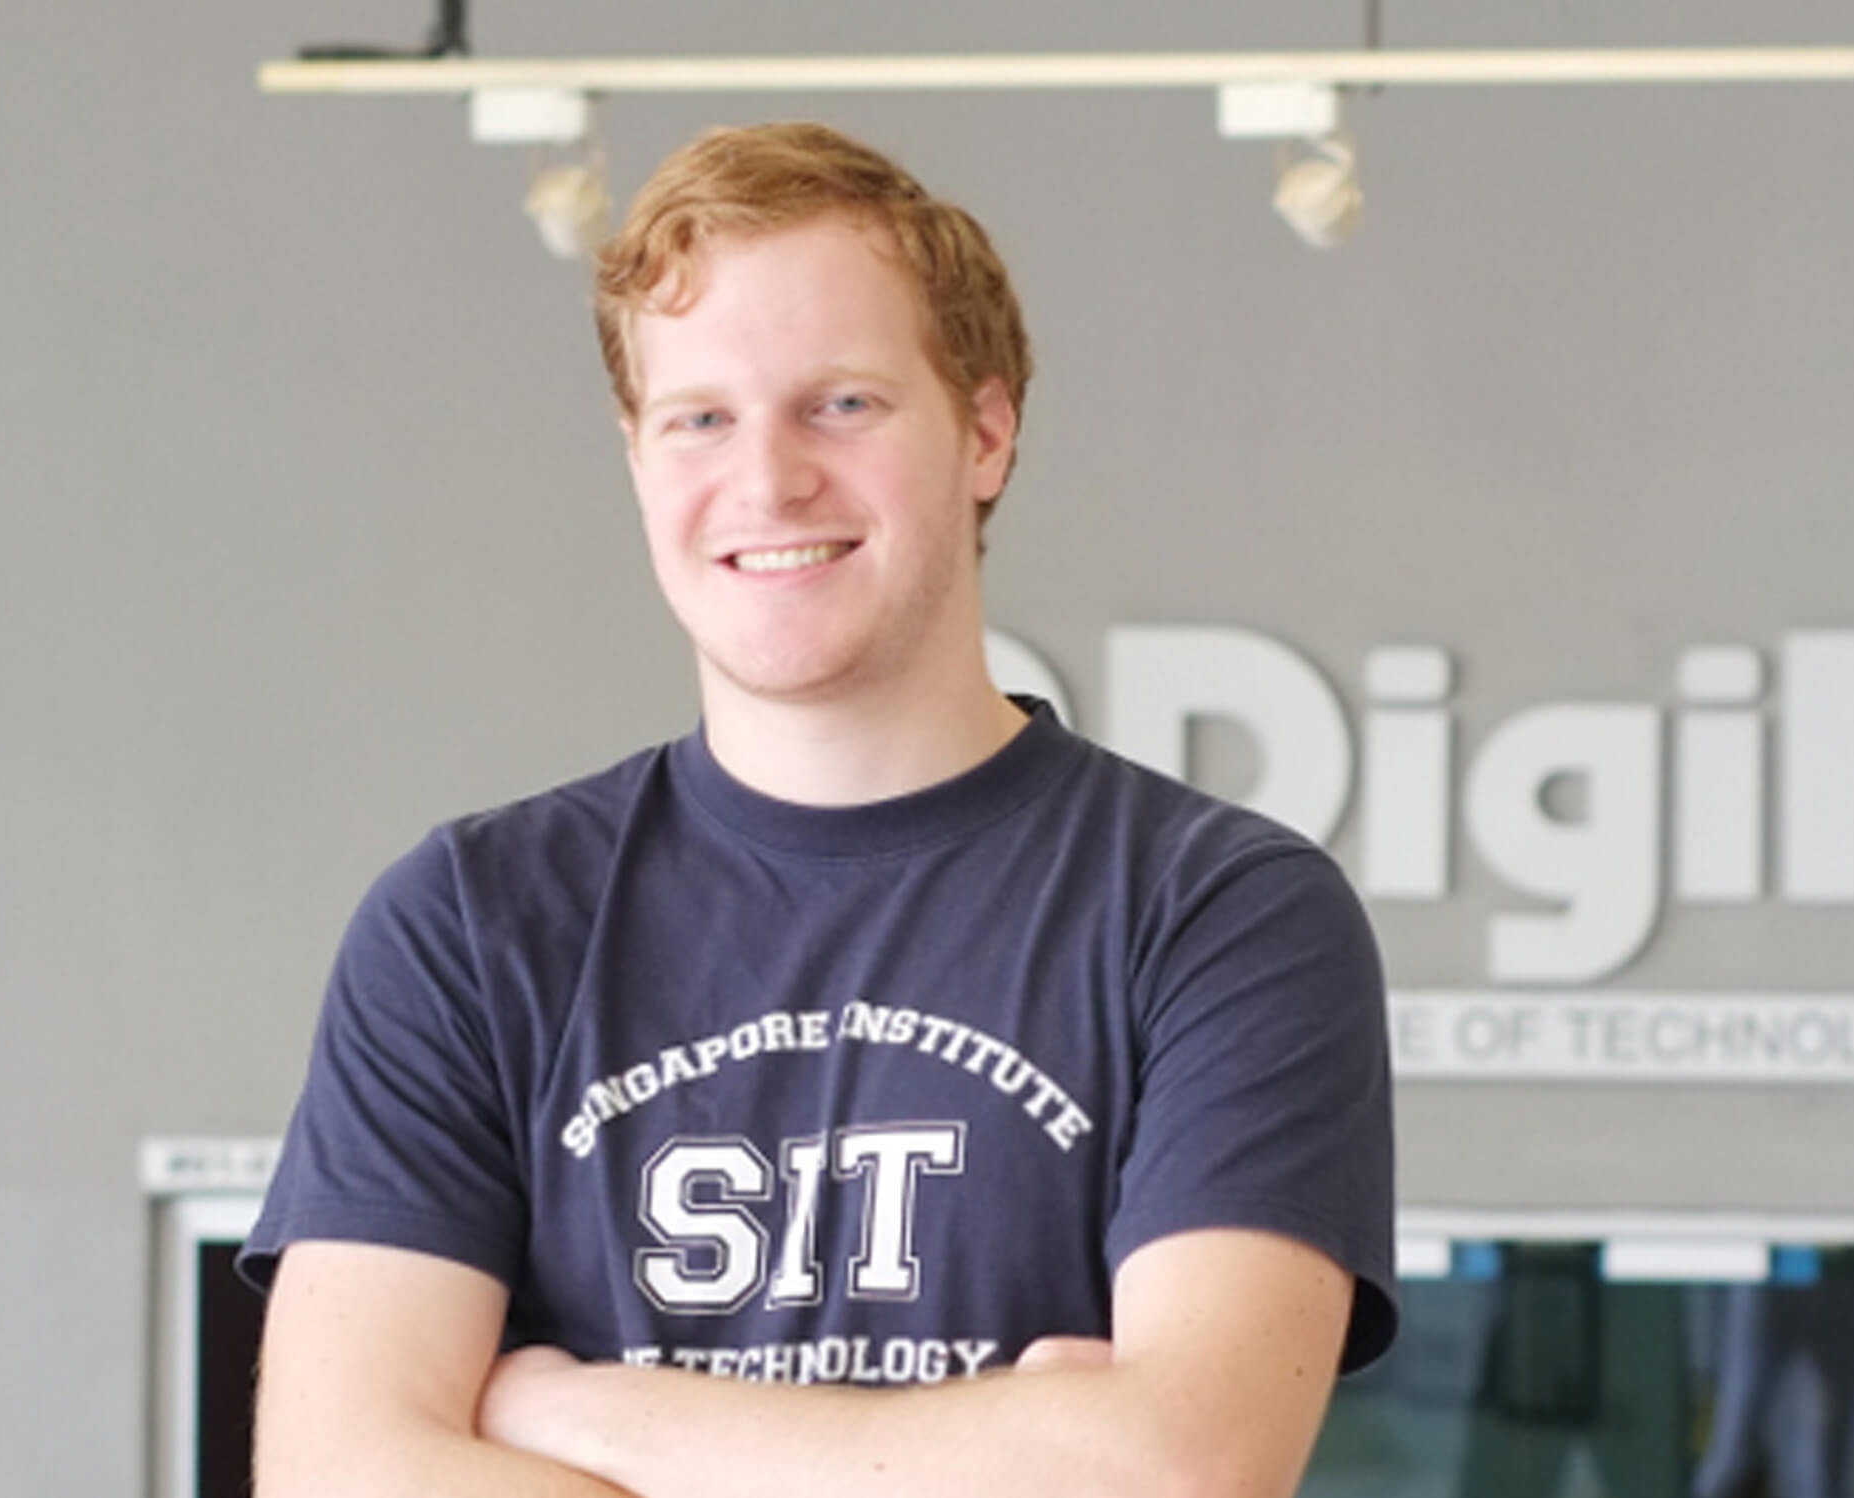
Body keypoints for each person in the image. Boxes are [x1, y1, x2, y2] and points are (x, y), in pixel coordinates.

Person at [240, 120, 1398, 1498]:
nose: (769, 476)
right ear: (637, 456)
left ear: (985, 429)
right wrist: (1006, 1453)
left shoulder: (1219, 911)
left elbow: (1176, 1468)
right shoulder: (469, 926)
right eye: (701, 417)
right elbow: (339, 1472)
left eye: (841, 403)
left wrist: (591, 1413)